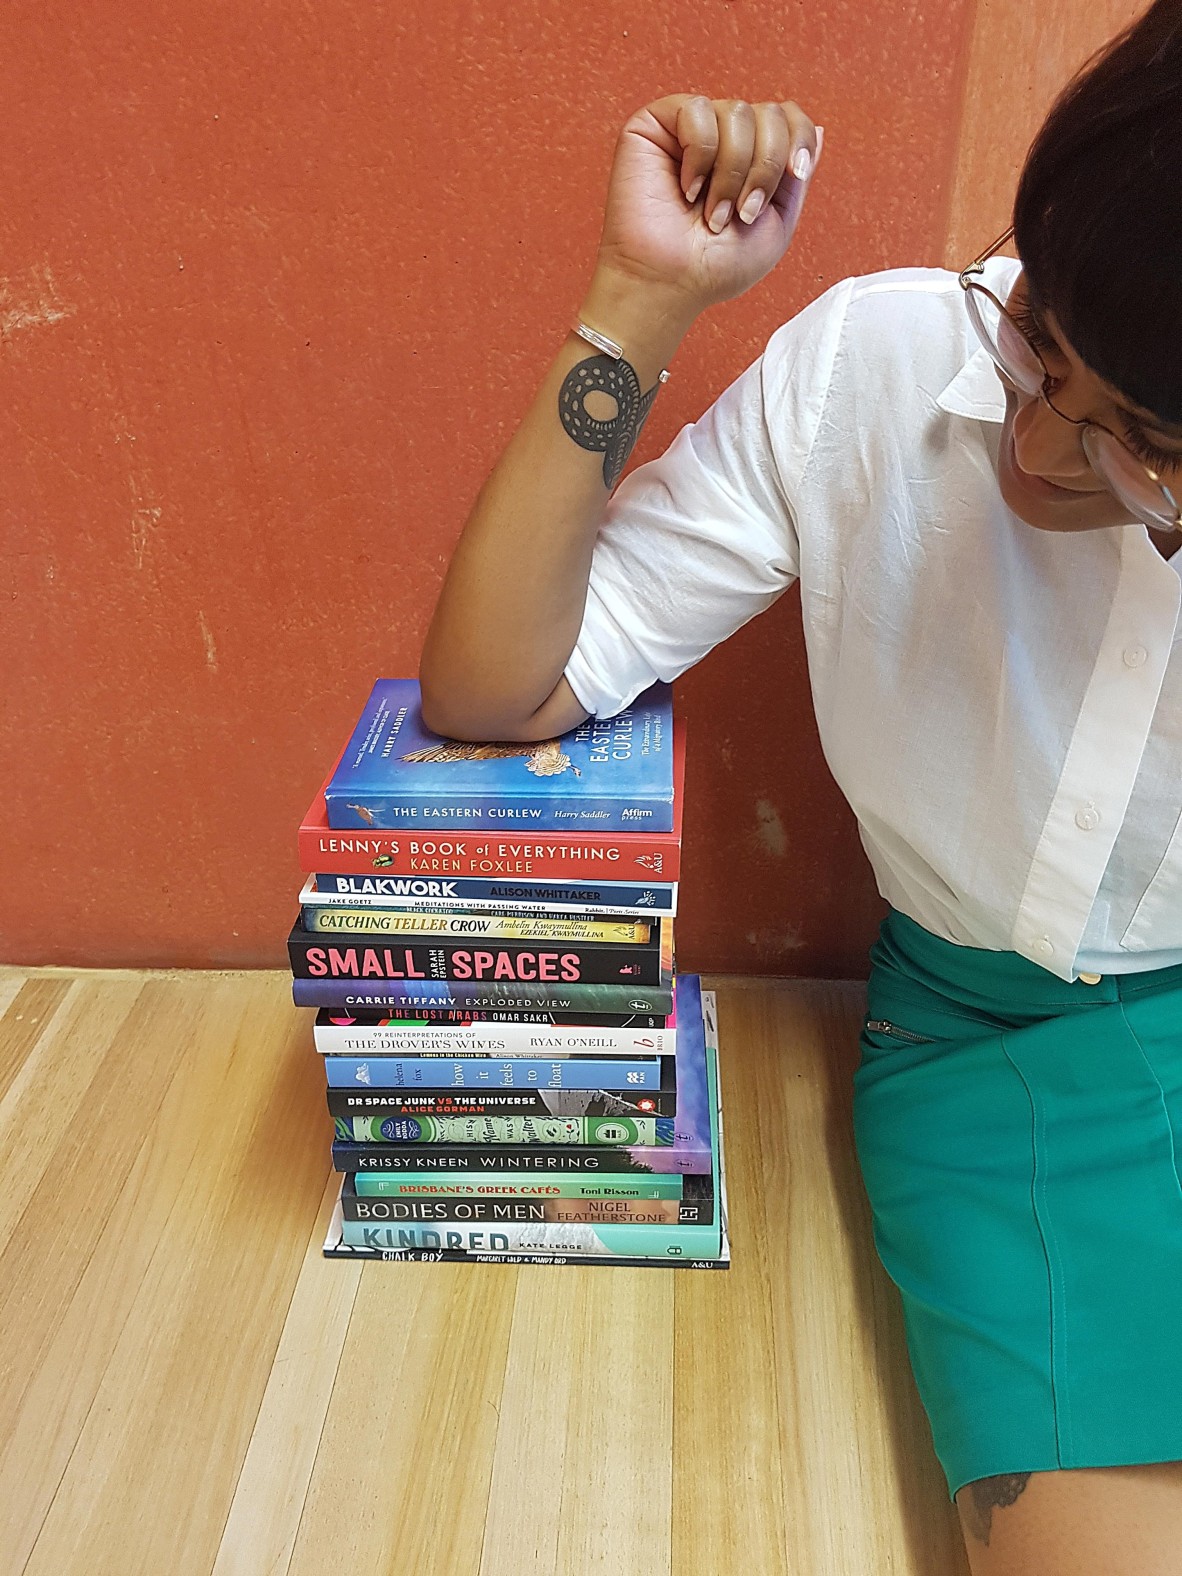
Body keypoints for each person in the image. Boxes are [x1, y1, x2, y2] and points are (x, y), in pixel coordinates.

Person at [419, 2, 1182, 1569]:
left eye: (1145, 450)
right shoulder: (882, 363)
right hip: (1007, 1050)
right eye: (1037, 345)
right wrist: (637, 302)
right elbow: (499, 689)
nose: (1034, 450)